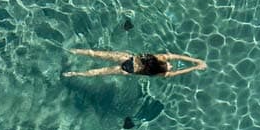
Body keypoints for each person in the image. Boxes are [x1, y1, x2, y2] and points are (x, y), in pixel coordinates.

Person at [65, 49, 206, 79]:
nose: (172, 64)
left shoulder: (160, 57)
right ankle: (75, 73)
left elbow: (177, 56)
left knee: (95, 54)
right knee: (99, 72)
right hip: (127, 70)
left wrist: (196, 61)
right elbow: (178, 72)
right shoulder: (162, 73)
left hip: (127, 58)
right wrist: (196, 66)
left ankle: (73, 51)